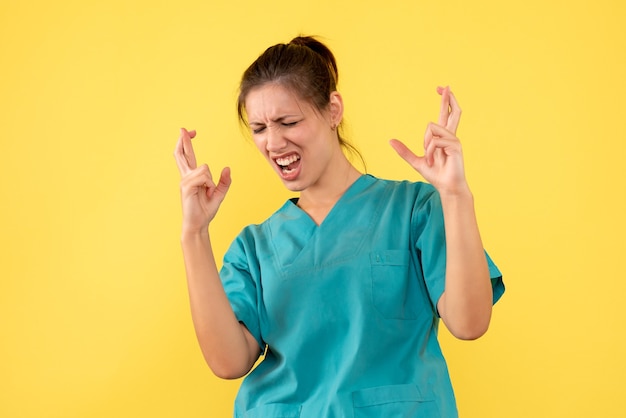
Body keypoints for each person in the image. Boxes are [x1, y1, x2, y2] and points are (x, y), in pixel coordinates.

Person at [174, 36, 504, 418]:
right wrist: (194, 234)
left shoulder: (414, 211)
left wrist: (455, 194)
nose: (273, 141)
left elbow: (470, 323)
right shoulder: (255, 247)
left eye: (288, 121)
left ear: (333, 110)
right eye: (260, 127)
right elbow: (228, 363)